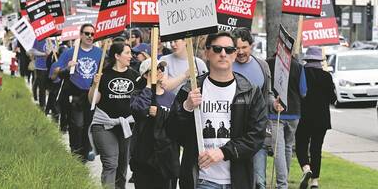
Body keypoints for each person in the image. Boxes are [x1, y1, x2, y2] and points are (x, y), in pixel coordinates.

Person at [166, 32, 267, 189]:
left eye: (229, 50)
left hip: (238, 180)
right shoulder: (190, 90)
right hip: (201, 180)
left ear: (234, 54)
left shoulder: (250, 92)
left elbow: (257, 136)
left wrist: (224, 152)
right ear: (207, 53)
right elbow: (172, 132)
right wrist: (186, 108)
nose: (223, 54)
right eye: (217, 49)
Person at [88, 41, 139, 189]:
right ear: (117, 56)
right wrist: (94, 84)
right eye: (127, 53)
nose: (131, 56)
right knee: (111, 163)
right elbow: (93, 101)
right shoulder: (103, 75)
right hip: (104, 125)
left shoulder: (135, 76)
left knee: (123, 166)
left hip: (127, 126)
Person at [231, 28, 276, 189]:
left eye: (244, 48)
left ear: (252, 46)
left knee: (259, 181)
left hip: (258, 130)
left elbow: (268, 94)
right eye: (237, 48)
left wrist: (274, 104)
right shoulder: (226, 65)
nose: (241, 52)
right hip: (233, 133)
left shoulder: (262, 66)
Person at [53, 24, 102, 161]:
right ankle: (75, 151)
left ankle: (85, 153)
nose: (90, 36)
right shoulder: (70, 52)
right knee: (77, 124)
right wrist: (66, 68)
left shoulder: (100, 53)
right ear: (80, 35)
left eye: (92, 34)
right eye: (87, 33)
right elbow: (54, 74)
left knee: (88, 125)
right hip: (75, 94)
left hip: (92, 93)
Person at [129, 58, 179, 189]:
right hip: (144, 157)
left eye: (161, 68)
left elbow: (177, 122)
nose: (160, 71)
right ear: (146, 75)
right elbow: (138, 110)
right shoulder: (139, 94)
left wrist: (160, 113)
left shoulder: (171, 97)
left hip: (166, 157)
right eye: (155, 69)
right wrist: (148, 85)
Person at [295, 46, 337, 189]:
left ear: (307, 59)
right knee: (316, 148)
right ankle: (315, 182)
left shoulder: (301, 74)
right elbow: (333, 99)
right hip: (322, 119)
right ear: (320, 60)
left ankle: (306, 168)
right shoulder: (327, 76)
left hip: (304, 117)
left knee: (301, 143)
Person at [267, 54, 307, 189]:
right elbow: (303, 91)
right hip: (294, 112)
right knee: (287, 147)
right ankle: (284, 180)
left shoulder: (269, 64)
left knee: (278, 149)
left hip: (276, 112)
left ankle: (282, 184)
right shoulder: (298, 66)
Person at [28, 39, 49, 109]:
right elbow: (33, 51)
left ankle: (51, 107)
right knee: (42, 87)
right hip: (41, 67)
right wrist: (43, 54)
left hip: (51, 66)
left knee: (50, 88)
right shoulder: (39, 39)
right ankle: (42, 105)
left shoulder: (53, 38)